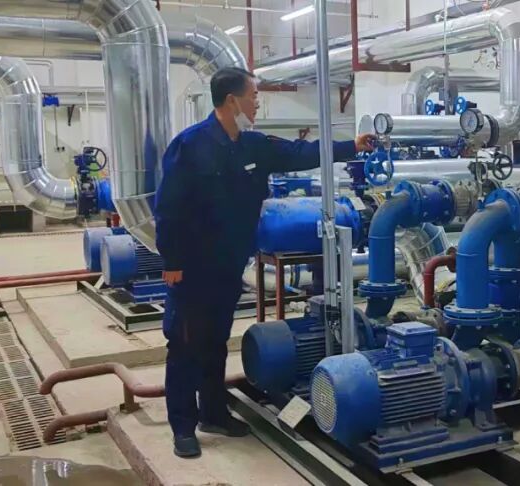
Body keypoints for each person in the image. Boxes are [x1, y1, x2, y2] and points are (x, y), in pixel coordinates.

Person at [154, 67, 377, 459]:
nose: (258, 103)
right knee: (185, 346)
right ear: (232, 101)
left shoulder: (253, 146)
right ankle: (183, 427)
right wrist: (172, 260)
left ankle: (213, 413)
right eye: (253, 96)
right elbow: (168, 207)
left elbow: (300, 153)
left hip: (228, 265)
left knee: (216, 342)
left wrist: (352, 147)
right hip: (192, 268)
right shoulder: (189, 146)